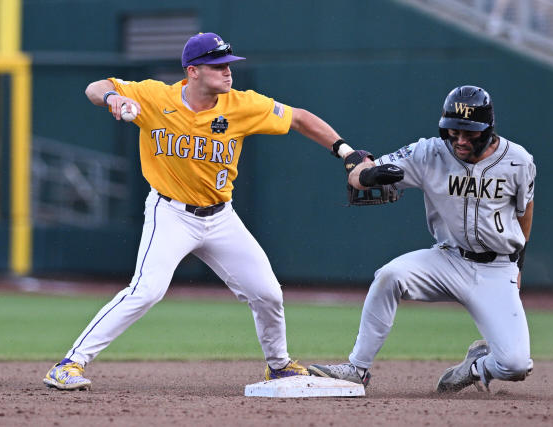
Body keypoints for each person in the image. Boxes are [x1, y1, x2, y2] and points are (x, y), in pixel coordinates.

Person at [43, 32, 351, 390]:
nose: (228, 72)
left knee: (268, 293)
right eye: (218, 66)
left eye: (229, 65)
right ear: (193, 71)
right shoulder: (155, 96)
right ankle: (69, 364)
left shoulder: (242, 105)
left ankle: (279, 365)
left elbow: (299, 118)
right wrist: (112, 97)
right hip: (170, 213)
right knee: (147, 290)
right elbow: (94, 88)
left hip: (221, 217)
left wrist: (346, 151)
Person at [308, 85, 536, 393]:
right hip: (448, 259)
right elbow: (360, 173)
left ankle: (476, 366)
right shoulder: (429, 152)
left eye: (470, 134)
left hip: (497, 270)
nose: (460, 140)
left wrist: (517, 266)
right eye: (453, 132)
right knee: (389, 276)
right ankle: (357, 368)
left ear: (489, 130)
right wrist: (368, 176)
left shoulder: (518, 160)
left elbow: (525, 212)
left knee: (516, 365)